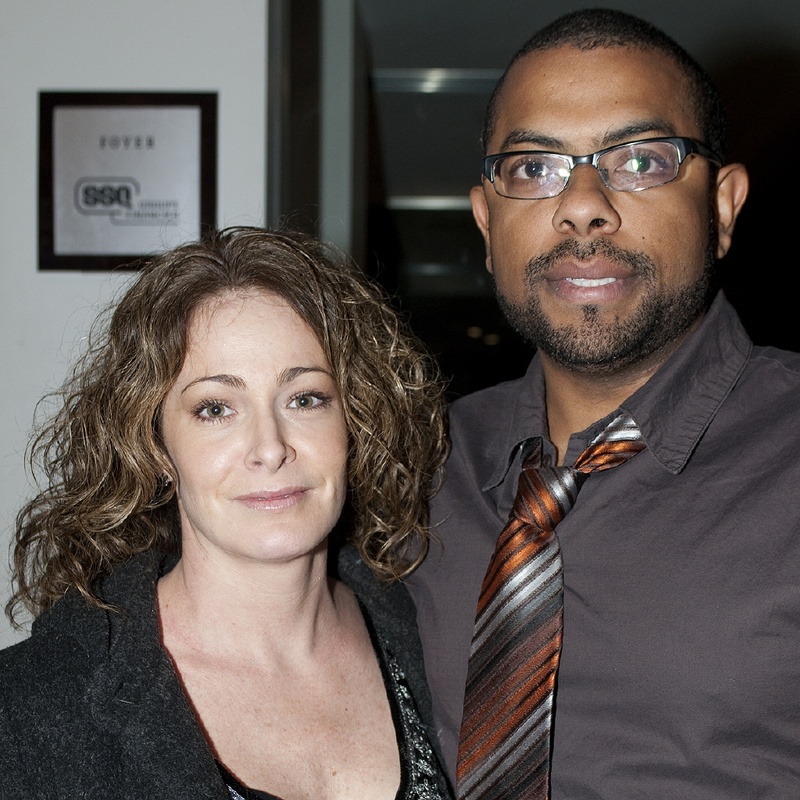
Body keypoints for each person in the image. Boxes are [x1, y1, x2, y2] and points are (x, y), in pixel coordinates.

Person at [407, 7, 800, 799]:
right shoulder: (417, 470)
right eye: (533, 168)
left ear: (722, 207)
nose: (582, 204)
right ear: (486, 222)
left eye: (640, 159)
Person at [0, 227, 455, 800]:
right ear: (154, 446)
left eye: (305, 399)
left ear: (355, 422)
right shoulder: (29, 710)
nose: (270, 447)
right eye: (216, 409)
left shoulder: (433, 636)